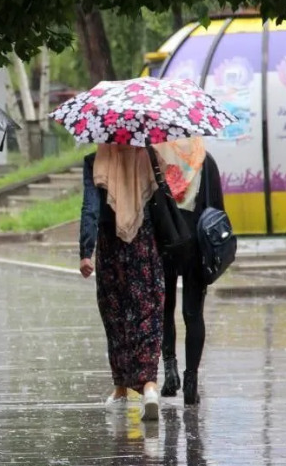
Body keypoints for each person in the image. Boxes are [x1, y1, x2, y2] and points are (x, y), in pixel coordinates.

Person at [79, 144, 164, 422]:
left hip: (110, 247)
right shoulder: (148, 157)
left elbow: (90, 208)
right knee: (147, 313)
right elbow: (163, 201)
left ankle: (121, 390)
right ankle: (150, 387)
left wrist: (85, 251)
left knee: (116, 317)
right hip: (144, 244)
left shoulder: (95, 161)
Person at [154, 138, 224, 406]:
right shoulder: (206, 161)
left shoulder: (157, 159)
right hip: (196, 246)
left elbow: (150, 205)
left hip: (165, 243)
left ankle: (170, 373)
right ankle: (191, 382)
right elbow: (217, 210)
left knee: (164, 310)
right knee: (193, 314)